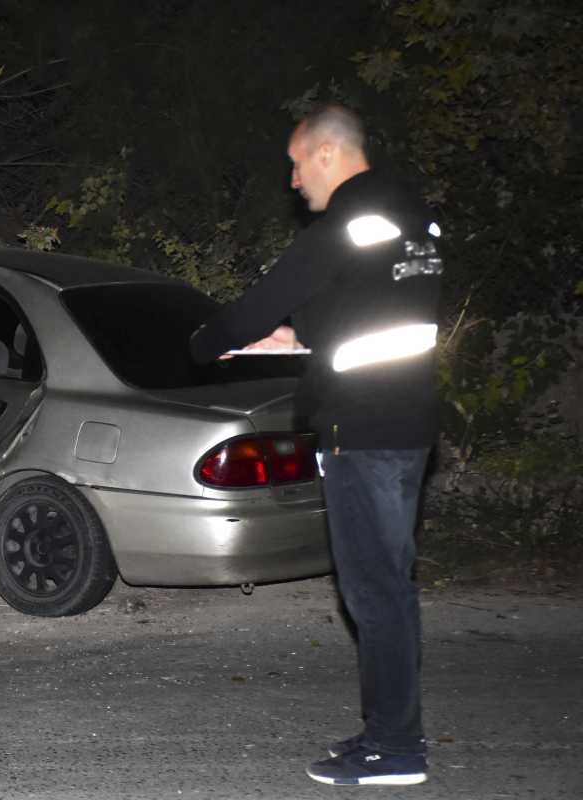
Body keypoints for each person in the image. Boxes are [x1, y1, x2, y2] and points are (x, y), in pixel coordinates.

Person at [189, 105, 443, 787]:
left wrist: (200, 344)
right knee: (390, 590)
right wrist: (303, 342)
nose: (295, 180)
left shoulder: (348, 225)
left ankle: (396, 751)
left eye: (298, 164)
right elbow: (381, 325)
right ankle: (391, 733)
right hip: (407, 425)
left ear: (328, 154)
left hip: (362, 432)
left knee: (374, 594)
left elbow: (260, 301)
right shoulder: (411, 218)